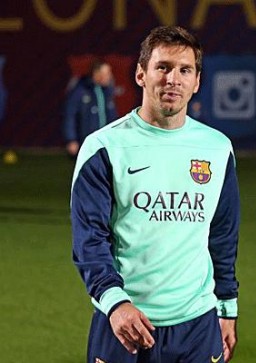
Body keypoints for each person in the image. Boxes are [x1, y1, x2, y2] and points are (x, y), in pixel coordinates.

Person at [70, 26, 240, 363]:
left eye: (184, 70)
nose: (172, 79)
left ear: (197, 81)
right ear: (140, 74)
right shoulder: (104, 147)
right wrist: (115, 302)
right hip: (123, 322)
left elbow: (222, 234)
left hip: (196, 323)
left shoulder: (217, 148)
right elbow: (89, 239)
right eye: (162, 67)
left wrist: (227, 306)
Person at [63, 58, 118, 157]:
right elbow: (70, 115)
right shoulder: (80, 90)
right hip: (86, 142)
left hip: (105, 142)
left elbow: (112, 116)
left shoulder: (107, 92)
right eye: (106, 73)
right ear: (97, 73)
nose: (109, 77)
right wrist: (71, 139)